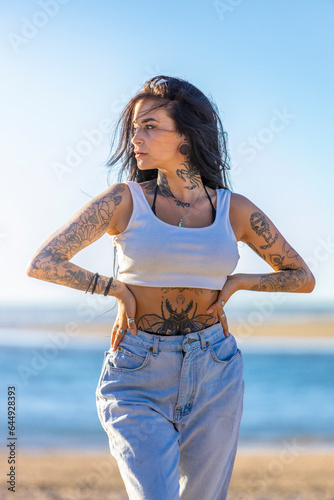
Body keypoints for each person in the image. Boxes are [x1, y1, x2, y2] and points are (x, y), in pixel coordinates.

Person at [26, 75, 316, 500]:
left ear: (186, 136)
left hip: (216, 367)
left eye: (150, 126)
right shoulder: (123, 200)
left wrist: (239, 282)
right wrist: (115, 290)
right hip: (136, 368)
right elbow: (43, 263)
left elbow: (302, 277)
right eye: (134, 128)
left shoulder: (232, 209)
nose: (136, 137)